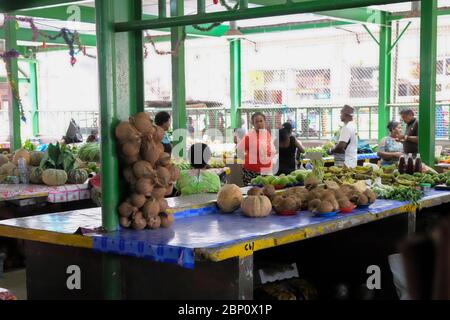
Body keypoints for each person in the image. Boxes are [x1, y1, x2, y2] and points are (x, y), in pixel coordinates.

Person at [237, 112, 275, 185]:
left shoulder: (267, 133)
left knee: (267, 193)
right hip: (252, 172)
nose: (259, 123)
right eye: (256, 122)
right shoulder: (250, 136)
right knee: (253, 193)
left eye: (261, 121)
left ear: (265, 121)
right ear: (253, 124)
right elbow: (239, 149)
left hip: (267, 170)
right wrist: (245, 160)